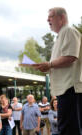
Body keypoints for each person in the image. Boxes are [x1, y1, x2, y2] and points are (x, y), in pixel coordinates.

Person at [33, 7, 82, 135]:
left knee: (68, 129)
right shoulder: (61, 36)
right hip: (65, 90)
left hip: (70, 89)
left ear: (62, 18)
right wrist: (47, 67)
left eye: (51, 16)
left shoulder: (69, 31)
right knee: (66, 128)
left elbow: (71, 57)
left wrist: (49, 64)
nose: (47, 19)